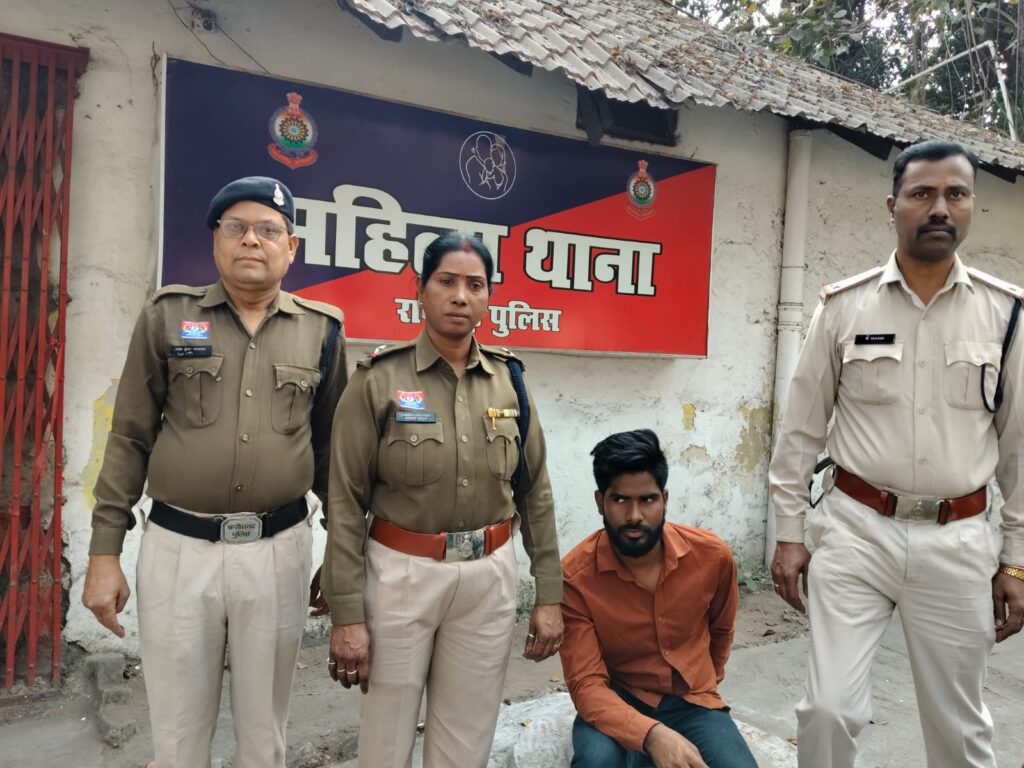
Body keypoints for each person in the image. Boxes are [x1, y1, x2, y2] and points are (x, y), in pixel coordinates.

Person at [769, 139, 1024, 767]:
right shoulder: (844, 307)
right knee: (828, 711)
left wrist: (1016, 562)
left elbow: (1019, 450)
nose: (939, 208)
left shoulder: (1006, 314)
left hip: (959, 541)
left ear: (972, 205)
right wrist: (789, 534)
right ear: (893, 206)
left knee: (959, 727)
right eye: (922, 194)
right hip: (856, 533)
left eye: (955, 194)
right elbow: (800, 431)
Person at [81, 176, 348, 768]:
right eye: (236, 227)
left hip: (278, 551)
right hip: (179, 551)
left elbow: (332, 451)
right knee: (177, 735)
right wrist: (104, 553)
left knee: (264, 734)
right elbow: (129, 436)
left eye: (268, 230)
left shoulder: (323, 331)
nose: (251, 240)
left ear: (291, 247)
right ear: (216, 241)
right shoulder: (167, 316)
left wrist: (342, 555)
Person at [320, 231, 563, 768]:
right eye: (446, 281)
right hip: (402, 574)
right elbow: (345, 503)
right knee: (386, 736)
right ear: (420, 290)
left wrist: (549, 593)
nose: (460, 296)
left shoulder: (509, 381)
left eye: (475, 285)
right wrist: (347, 613)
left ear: (489, 295)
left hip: (488, 578)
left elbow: (535, 492)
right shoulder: (378, 380)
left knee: (467, 736)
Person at [559, 429, 757, 768]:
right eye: (620, 500)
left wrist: (703, 685)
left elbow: (721, 631)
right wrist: (652, 735)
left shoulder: (712, 557)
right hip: (616, 698)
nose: (634, 515)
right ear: (599, 501)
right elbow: (586, 683)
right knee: (597, 762)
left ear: (664, 499)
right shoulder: (575, 578)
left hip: (690, 700)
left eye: (648, 500)